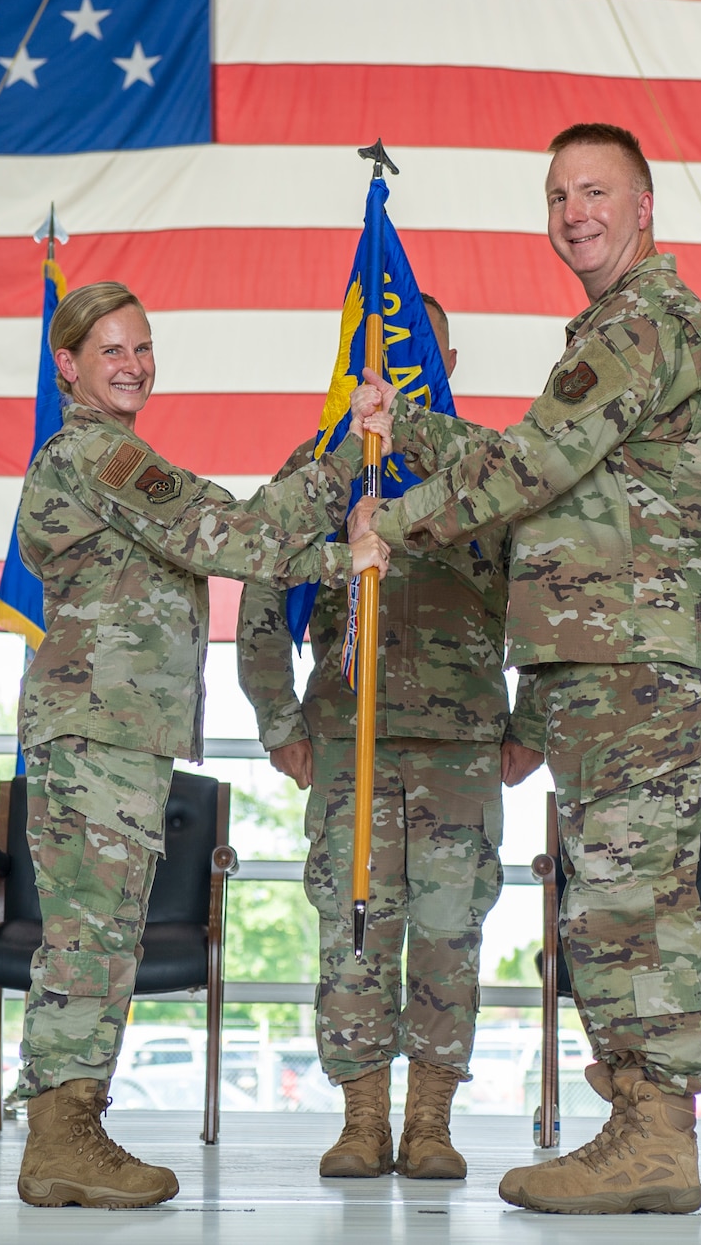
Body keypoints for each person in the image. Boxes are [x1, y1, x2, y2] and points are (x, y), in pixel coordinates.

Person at [348, 124, 701, 1215]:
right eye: (558, 193)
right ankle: (634, 1126)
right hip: (605, 651)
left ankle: (655, 1131)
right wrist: (413, 429)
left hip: (635, 648)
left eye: (596, 190)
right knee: (603, 901)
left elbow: (529, 464)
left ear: (644, 205)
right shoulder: (615, 332)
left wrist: (398, 517)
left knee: (628, 897)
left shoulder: (642, 322)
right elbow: (532, 453)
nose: (574, 211)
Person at [12, 280, 390, 1209]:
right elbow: (234, 533)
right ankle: (61, 1138)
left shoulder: (112, 458)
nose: (134, 364)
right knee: (89, 939)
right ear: (68, 364)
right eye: (112, 350)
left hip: (114, 735)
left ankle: (73, 1126)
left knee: (102, 938)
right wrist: (347, 475)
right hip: (96, 733)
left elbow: (226, 537)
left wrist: (337, 535)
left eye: (142, 348)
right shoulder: (95, 455)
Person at [235, 296, 544, 1182]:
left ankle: (431, 1124)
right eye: (383, 358)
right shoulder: (323, 466)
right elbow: (264, 583)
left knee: (451, 935)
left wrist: (534, 727)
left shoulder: (492, 470)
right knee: (354, 934)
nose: (399, 373)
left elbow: (550, 592)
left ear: (448, 359)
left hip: (460, 748)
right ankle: (362, 1120)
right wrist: (277, 721)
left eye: (417, 355)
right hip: (347, 741)